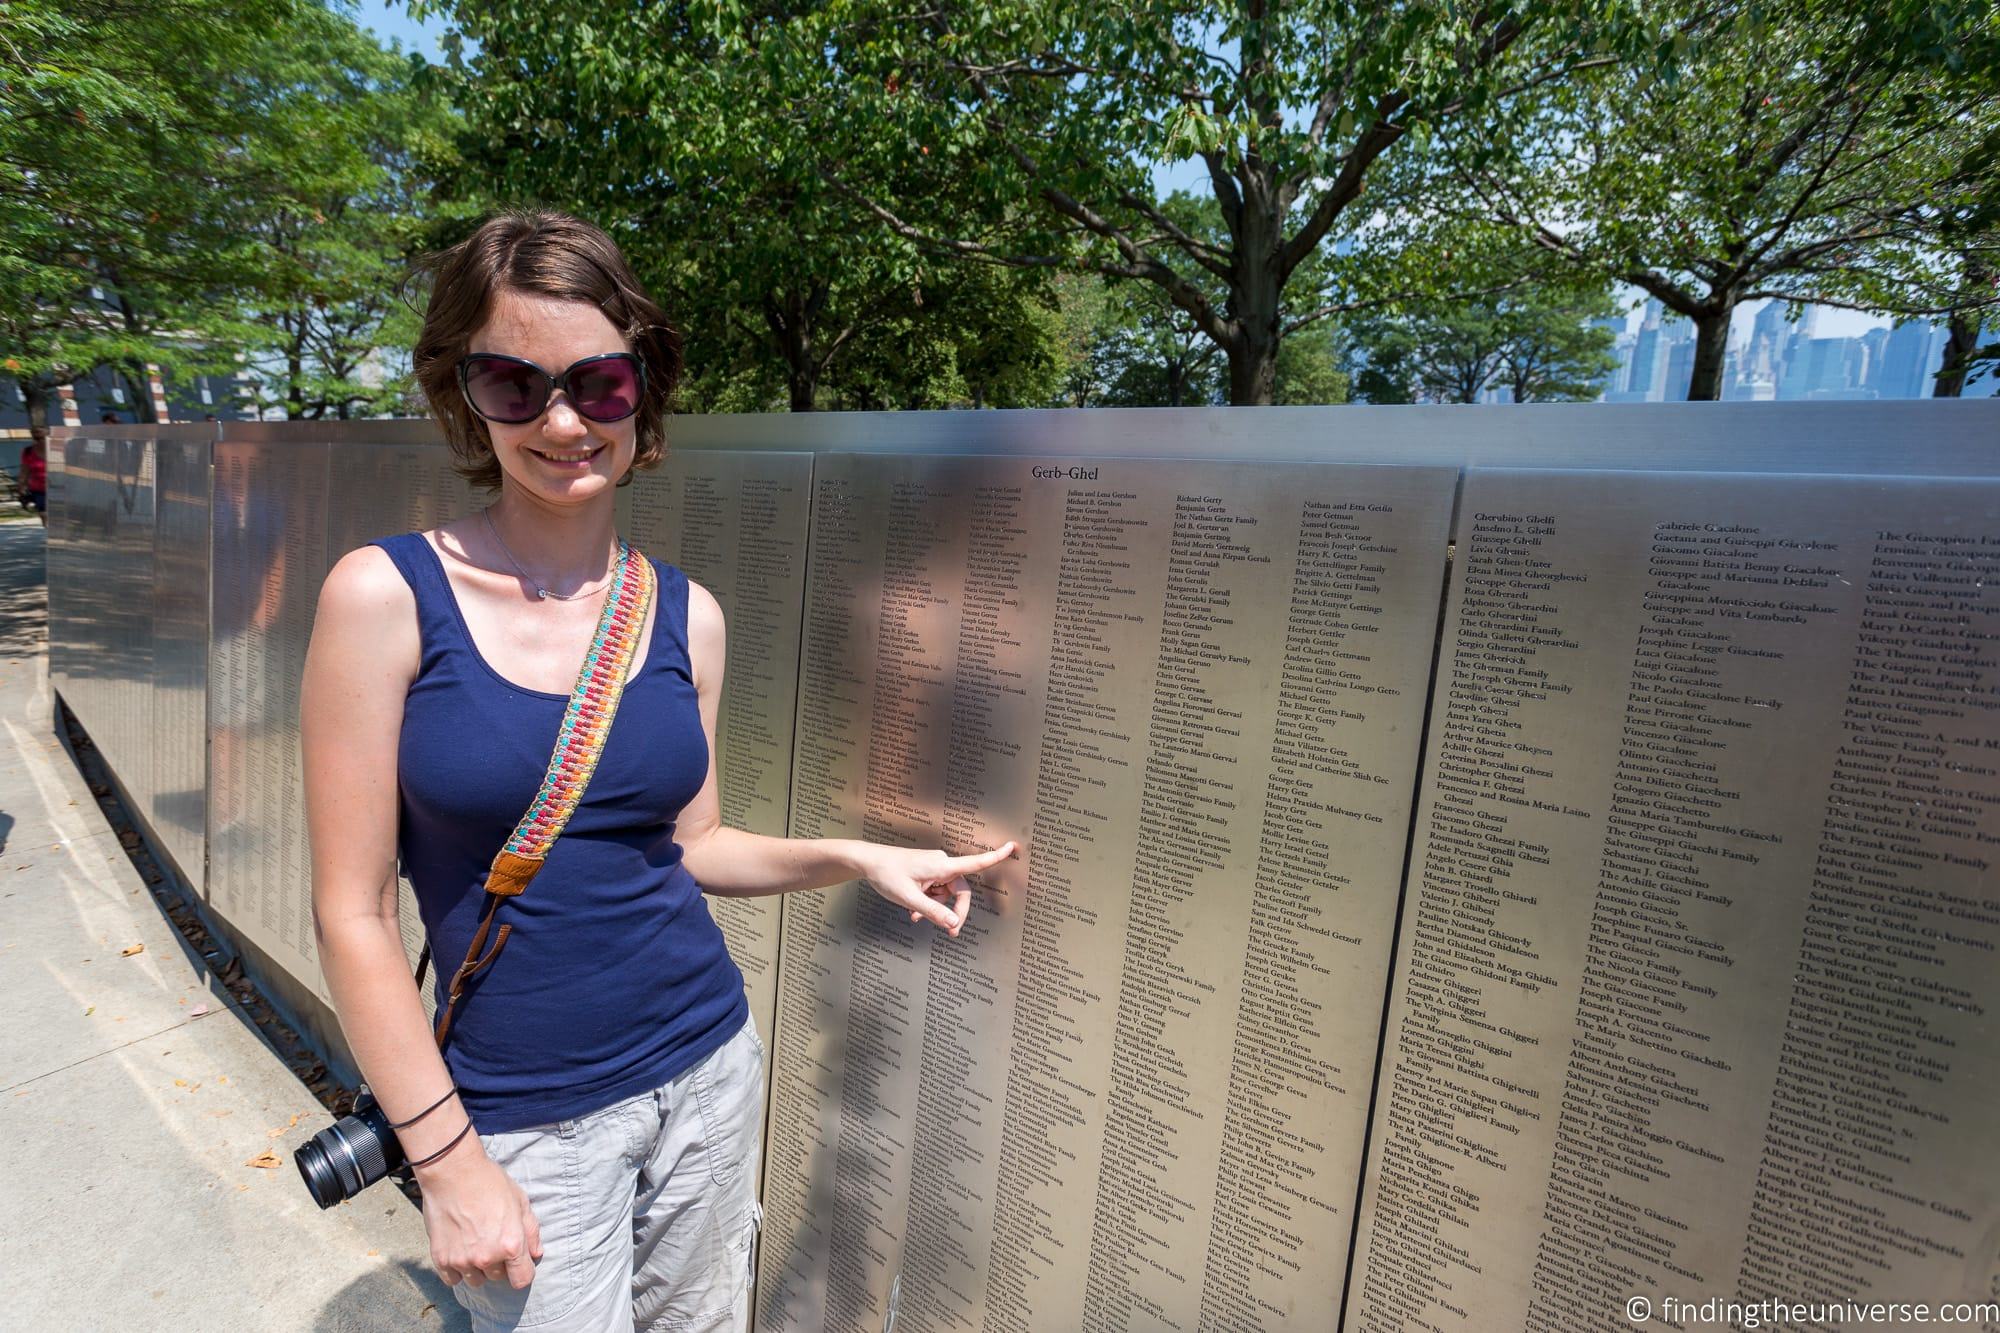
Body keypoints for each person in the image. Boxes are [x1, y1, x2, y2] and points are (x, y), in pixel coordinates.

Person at [299, 209, 1018, 1333]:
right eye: (512, 382)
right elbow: (349, 910)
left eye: (598, 384)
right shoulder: (382, 597)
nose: (561, 420)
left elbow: (690, 845)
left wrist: (849, 853)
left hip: (707, 1064)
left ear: (644, 388)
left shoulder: (686, 614)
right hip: (523, 1117)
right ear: (463, 394)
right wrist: (447, 1165)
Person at [18, 428, 46, 524]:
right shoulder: (28, 452)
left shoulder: (57, 449)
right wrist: (21, 487)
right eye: (36, 438)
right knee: (43, 514)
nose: (40, 441)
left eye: (42, 438)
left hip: (57, 487)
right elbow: (24, 471)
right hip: (38, 489)